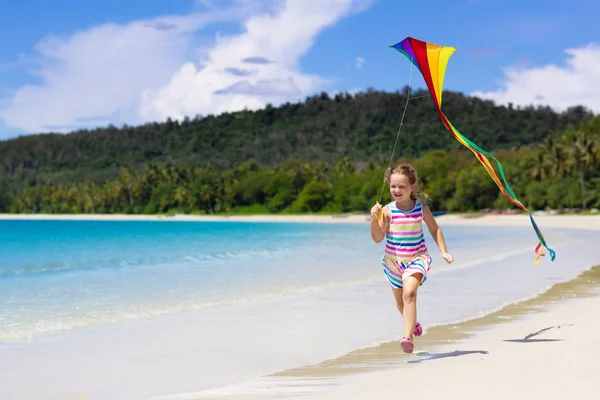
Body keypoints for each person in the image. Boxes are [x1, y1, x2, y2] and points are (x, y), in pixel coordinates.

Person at [370, 163, 453, 354]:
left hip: (417, 258)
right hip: (393, 263)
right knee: (401, 303)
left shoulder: (420, 208)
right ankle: (413, 323)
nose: (396, 190)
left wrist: (443, 251)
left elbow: (435, 229)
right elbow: (377, 238)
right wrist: (374, 219)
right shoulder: (388, 211)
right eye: (393, 186)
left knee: (409, 294)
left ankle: (407, 337)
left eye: (402, 186)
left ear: (412, 187)